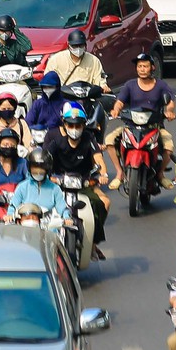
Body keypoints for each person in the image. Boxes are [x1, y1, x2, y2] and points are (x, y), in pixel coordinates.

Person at [41, 102, 112, 258]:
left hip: (83, 183)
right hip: (56, 182)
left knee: (104, 202)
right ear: (64, 124)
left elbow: (98, 159)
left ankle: (91, 245)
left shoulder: (89, 137)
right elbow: (44, 157)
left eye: (78, 125)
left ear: (84, 125)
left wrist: (103, 175)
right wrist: (45, 173)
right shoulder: (53, 136)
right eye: (71, 125)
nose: (74, 129)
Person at [110, 50, 176, 163]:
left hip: (154, 127)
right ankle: (119, 172)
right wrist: (116, 110)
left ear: (152, 68)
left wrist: (169, 111)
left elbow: (170, 101)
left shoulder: (161, 85)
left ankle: (160, 174)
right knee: (109, 141)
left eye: (145, 66)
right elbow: (120, 101)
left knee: (168, 147)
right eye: (139, 66)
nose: (142, 69)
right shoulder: (130, 85)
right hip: (131, 127)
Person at [10, 146, 68, 220]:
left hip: (47, 226)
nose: (38, 172)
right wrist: (9, 215)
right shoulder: (22, 186)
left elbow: (62, 207)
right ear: (29, 168)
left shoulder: (55, 189)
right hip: (27, 224)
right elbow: (13, 205)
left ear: (47, 170)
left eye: (41, 169)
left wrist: (66, 217)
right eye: (35, 168)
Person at [42, 29, 109, 92]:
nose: (78, 49)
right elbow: (48, 80)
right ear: (68, 45)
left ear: (85, 45)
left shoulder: (94, 61)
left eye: (81, 45)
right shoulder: (56, 60)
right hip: (64, 98)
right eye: (75, 46)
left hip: (88, 98)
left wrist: (104, 87)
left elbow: (100, 81)